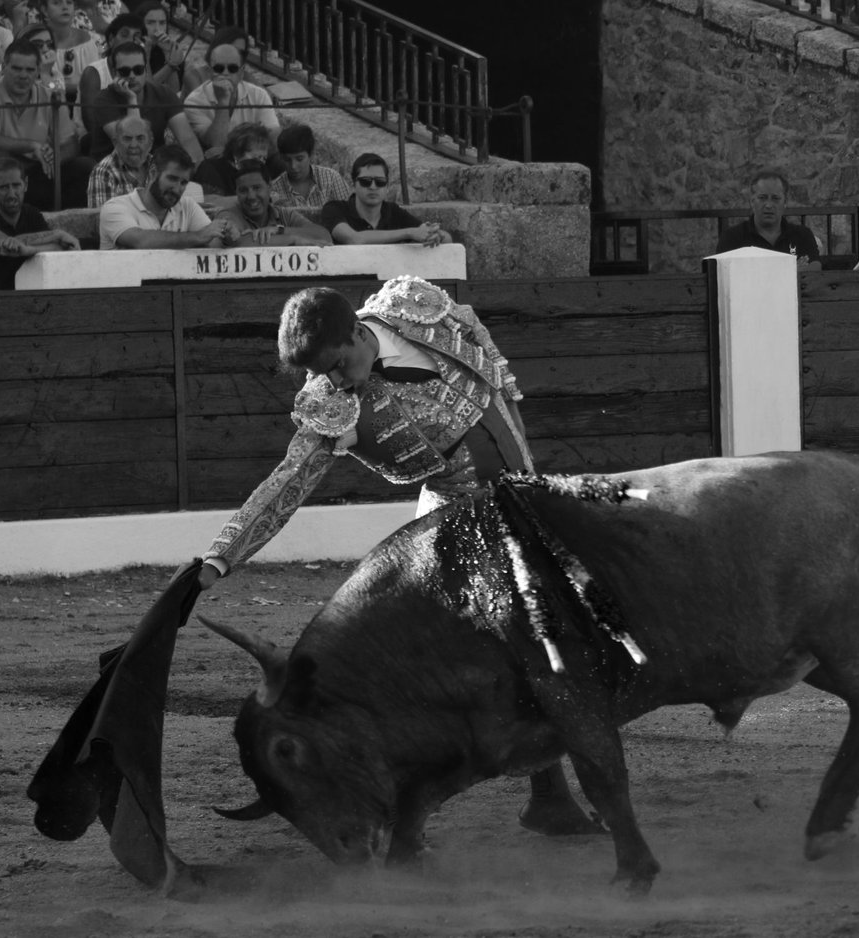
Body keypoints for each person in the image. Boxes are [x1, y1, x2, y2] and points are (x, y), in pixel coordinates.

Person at [192, 276, 605, 840]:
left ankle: (548, 797)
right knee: (534, 646)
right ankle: (411, 797)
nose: (334, 380)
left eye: (338, 364)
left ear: (359, 331)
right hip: (458, 527)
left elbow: (487, 364)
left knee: (553, 640)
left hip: (523, 494)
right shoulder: (331, 404)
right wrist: (221, 557)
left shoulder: (412, 306)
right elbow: (286, 483)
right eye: (323, 373)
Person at [0, 38, 92, 208]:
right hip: (5, 174)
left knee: (85, 167)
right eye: (16, 69)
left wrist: (51, 158)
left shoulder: (51, 96)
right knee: (3, 157)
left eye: (30, 70)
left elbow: (70, 143)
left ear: (37, 71)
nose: (23, 75)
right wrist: (31, 146)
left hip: (39, 170)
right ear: (4, 67)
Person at [0, 156, 81, 289]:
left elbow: (57, 249)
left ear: (25, 184)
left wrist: (31, 250)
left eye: (16, 185)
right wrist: (56, 234)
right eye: (3, 188)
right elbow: (7, 244)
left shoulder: (32, 214)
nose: (12, 194)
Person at [81, 38, 200, 161]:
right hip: (113, 169)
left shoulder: (163, 93)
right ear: (115, 73)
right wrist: (131, 99)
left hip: (155, 165)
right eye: (124, 71)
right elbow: (132, 147)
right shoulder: (104, 99)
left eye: (138, 70)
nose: (132, 76)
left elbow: (187, 139)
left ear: (146, 70)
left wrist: (197, 171)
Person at [97, 143, 231, 249]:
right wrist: (198, 236)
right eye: (172, 179)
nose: (177, 189)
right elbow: (141, 241)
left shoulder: (187, 206)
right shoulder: (116, 207)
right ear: (153, 172)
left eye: (184, 183)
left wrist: (226, 236)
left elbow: (213, 243)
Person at [320, 152, 451, 247]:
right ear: (353, 184)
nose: (373, 187)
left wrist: (435, 235)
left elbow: (447, 239)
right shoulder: (334, 209)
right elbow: (355, 239)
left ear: (387, 186)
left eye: (380, 182)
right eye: (365, 181)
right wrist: (409, 233)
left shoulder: (393, 211)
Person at [713, 167, 822, 270]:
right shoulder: (732, 238)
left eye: (775, 198)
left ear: (785, 202)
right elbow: (722, 275)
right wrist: (791, 270)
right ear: (752, 201)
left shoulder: (802, 235)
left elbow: (815, 267)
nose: (769, 205)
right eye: (762, 198)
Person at [182, 40, 276, 155]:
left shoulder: (259, 95)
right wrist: (223, 102)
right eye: (219, 68)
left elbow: (274, 139)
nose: (225, 73)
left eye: (232, 69)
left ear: (241, 73)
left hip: (253, 160)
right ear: (210, 72)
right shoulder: (194, 102)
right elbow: (216, 144)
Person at [214, 158, 329, 246]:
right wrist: (292, 239)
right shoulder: (228, 215)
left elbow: (324, 236)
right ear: (236, 193)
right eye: (243, 190)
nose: (251, 196)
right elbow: (239, 243)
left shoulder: (283, 214)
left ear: (269, 187)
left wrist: (279, 230)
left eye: (257, 188)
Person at [268, 122, 351, 208]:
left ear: (310, 155)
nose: (293, 166)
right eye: (287, 160)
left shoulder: (332, 180)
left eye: (299, 159)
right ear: (281, 158)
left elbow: (350, 214)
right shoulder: (275, 190)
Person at [190, 119, 271, 198]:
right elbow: (211, 204)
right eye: (256, 158)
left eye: (264, 159)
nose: (260, 163)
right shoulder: (210, 169)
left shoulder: (257, 175)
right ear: (237, 153)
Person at [85, 112, 152, 206]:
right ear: (115, 142)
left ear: (150, 142)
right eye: (127, 139)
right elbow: (103, 218)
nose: (133, 145)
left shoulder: (159, 166)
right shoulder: (104, 172)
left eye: (140, 138)